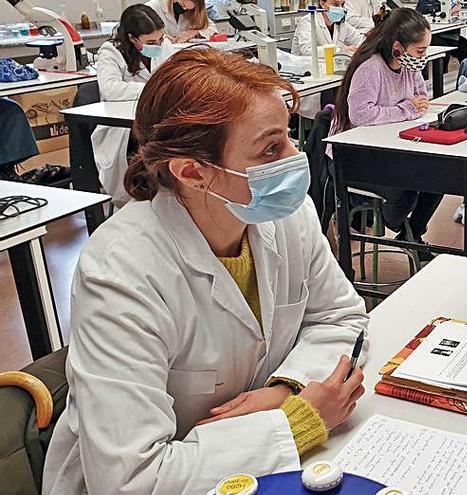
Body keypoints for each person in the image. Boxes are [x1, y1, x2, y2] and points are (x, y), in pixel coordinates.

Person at [42, 48, 368, 493]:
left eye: (289, 137)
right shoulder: (120, 271)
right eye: (271, 147)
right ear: (194, 172)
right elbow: (130, 479)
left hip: (246, 466)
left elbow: (341, 317)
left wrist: (285, 389)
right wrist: (300, 421)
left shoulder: (287, 215)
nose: (296, 158)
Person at [330, 8, 442, 256]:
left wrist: (417, 104)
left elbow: (421, 95)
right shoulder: (371, 69)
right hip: (354, 157)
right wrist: (406, 110)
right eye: (420, 51)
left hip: (389, 148)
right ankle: (399, 225)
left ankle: (410, 232)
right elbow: (360, 115)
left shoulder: (409, 66)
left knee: (441, 175)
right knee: (406, 188)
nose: (423, 57)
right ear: (397, 47)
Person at [92, 4, 166, 208]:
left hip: (153, 115)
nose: (158, 45)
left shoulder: (161, 47)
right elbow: (110, 89)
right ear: (132, 38)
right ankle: (146, 196)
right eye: (151, 42)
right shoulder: (110, 52)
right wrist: (151, 88)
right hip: (122, 129)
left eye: (161, 39)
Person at [292, 0, 365, 57]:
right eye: (335, 4)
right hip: (304, 69)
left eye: (342, 4)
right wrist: (340, 50)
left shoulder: (341, 24)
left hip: (328, 67)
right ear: (322, 3)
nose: (340, 8)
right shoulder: (309, 21)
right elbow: (307, 50)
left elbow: (360, 39)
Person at [145, 0, 217, 42]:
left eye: (189, 9)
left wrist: (194, 32)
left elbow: (212, 28)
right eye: (182, 5)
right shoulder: (152, 7)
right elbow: (143, 35)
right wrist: (164, 38)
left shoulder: (191, 12)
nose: (184, 10)